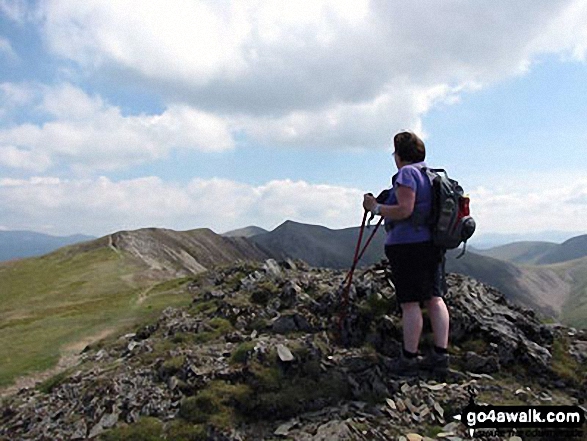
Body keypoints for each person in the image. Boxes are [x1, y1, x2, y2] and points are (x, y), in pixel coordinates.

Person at [363, 131, 450, 376]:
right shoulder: (431, 175)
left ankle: (409, 358)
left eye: (395, 153)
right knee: (434, 297)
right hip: (432, 244)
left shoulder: (407, 173)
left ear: (400, 155)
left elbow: (404, 210)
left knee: (410, 303)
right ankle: (440, 355)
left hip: (408, 246)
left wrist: (376, 208)